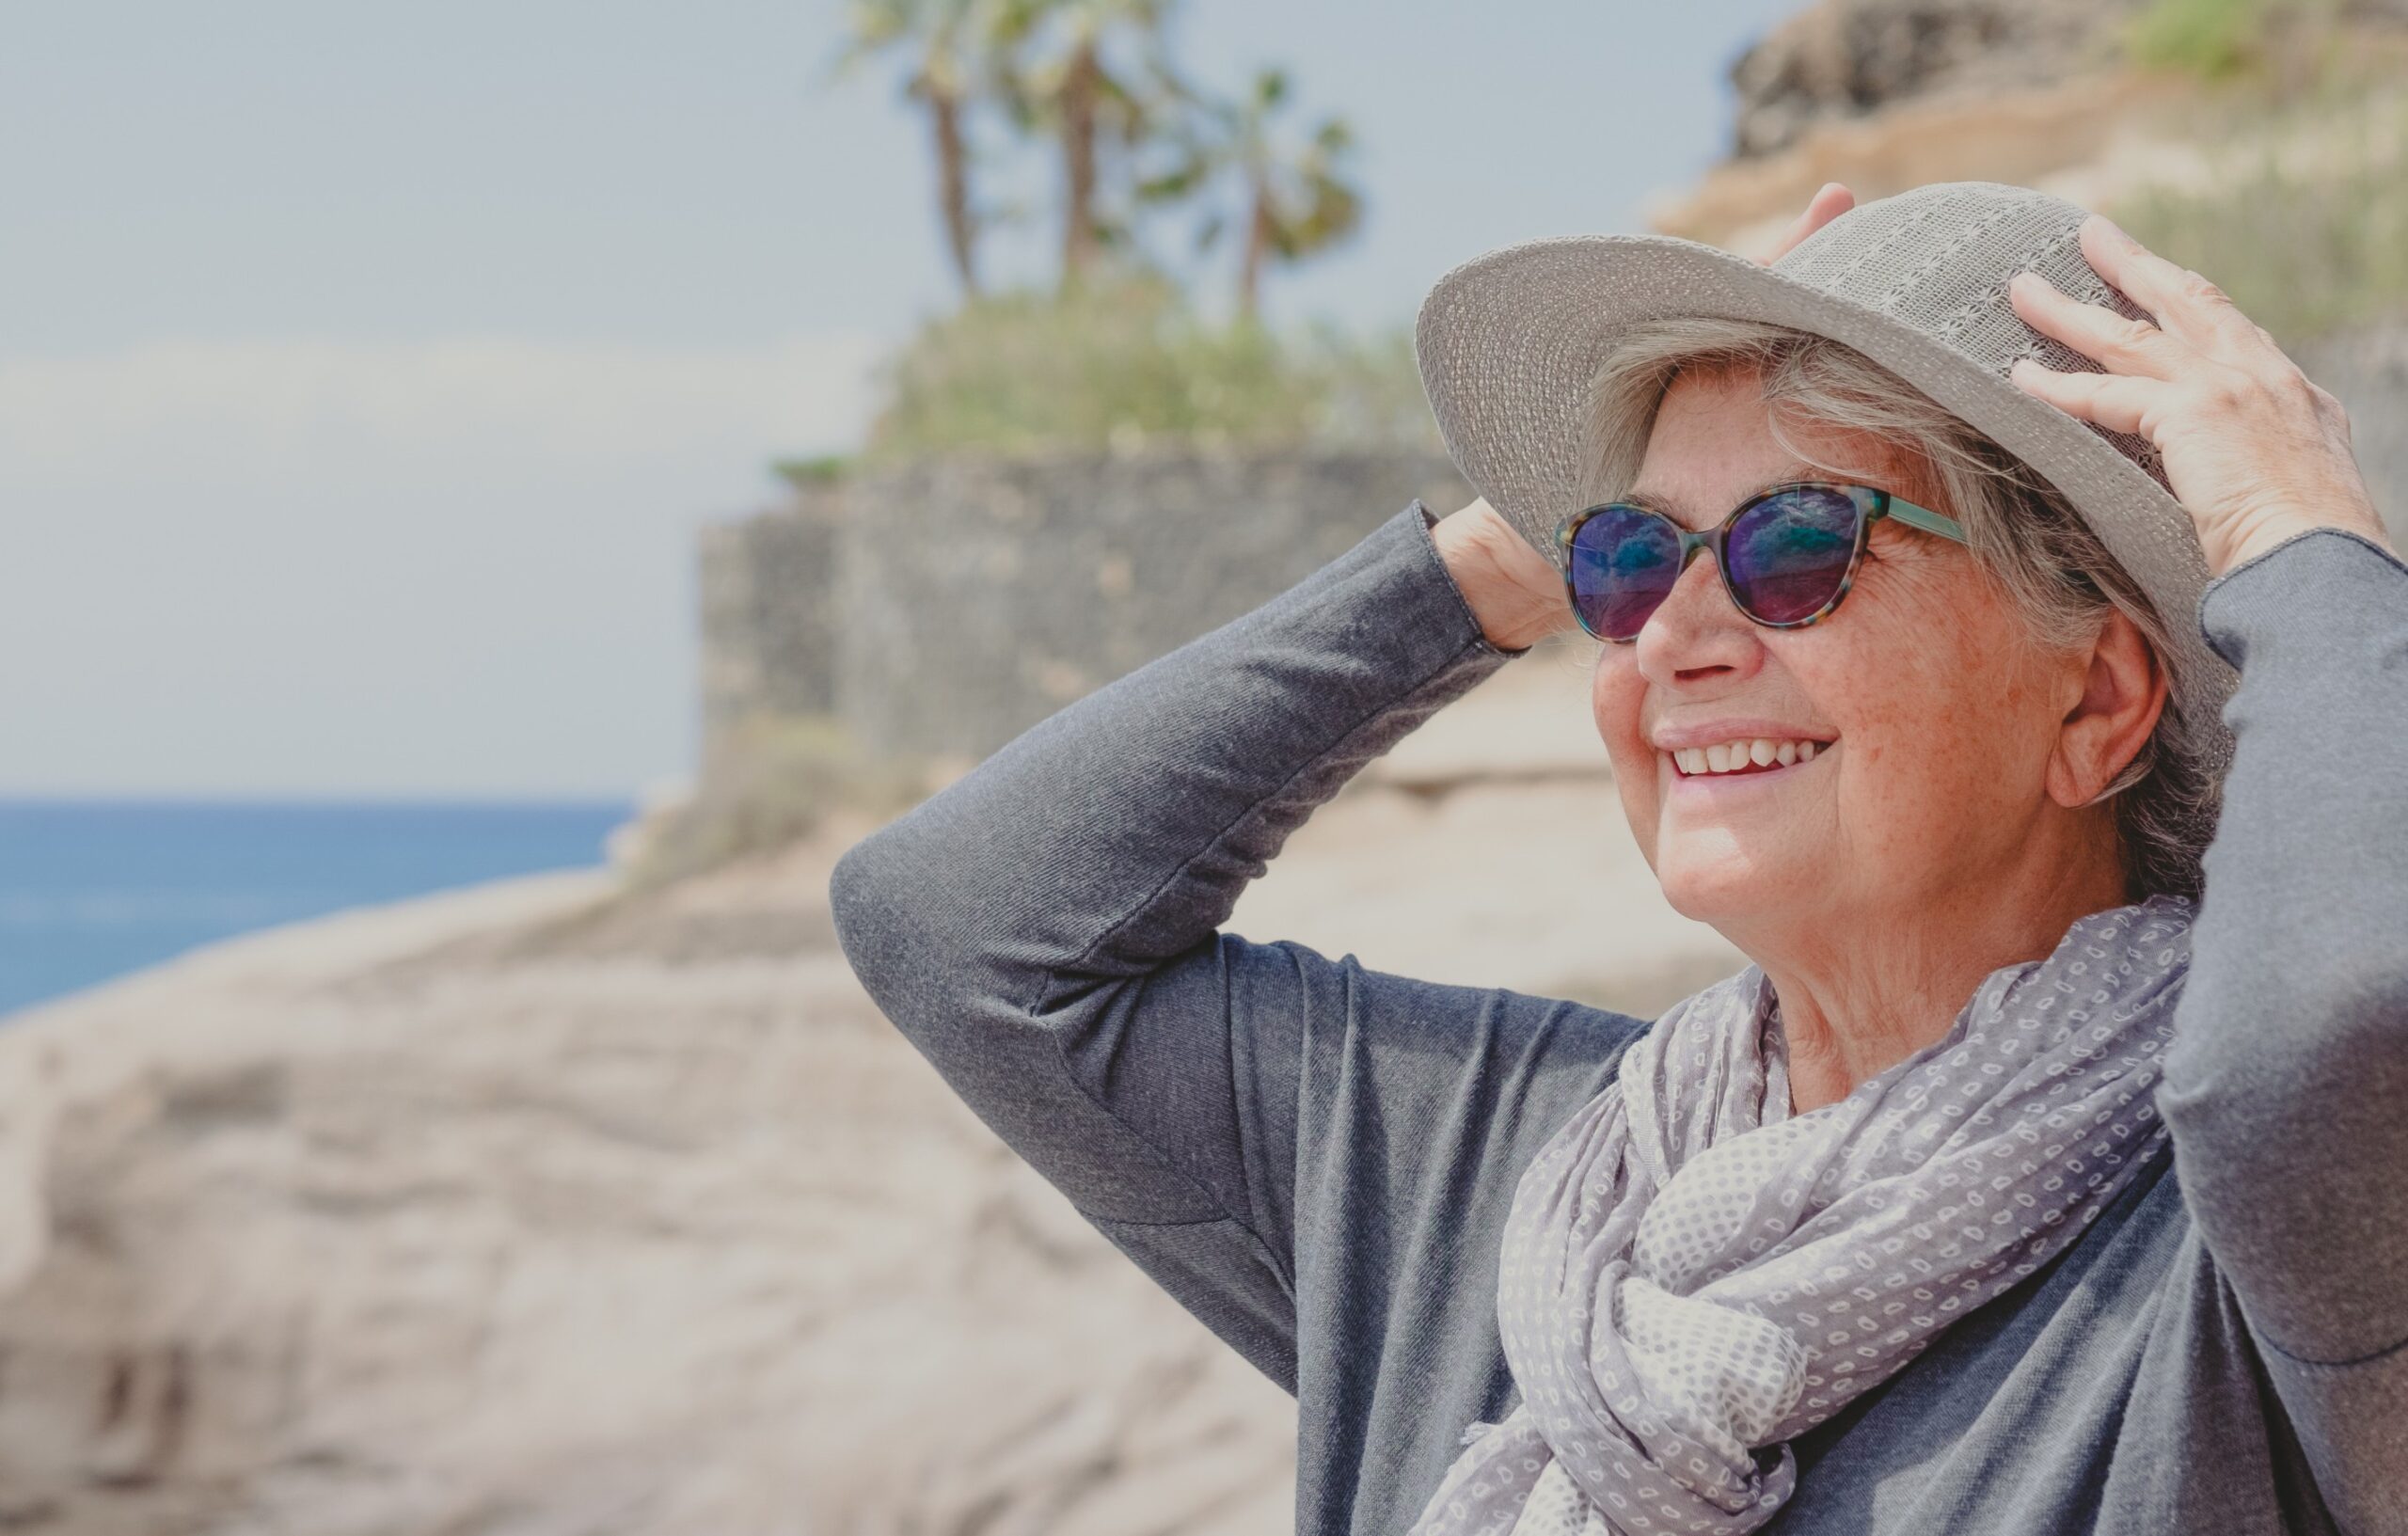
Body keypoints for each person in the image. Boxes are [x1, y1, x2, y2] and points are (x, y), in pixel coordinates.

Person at [828, 181, 2407, 1534]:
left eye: (1799, 545)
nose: (1677, 635)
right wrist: (1501, 560)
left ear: (2099, 698)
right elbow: (967, 932)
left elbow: (2331, 1023)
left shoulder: (2245, 1265)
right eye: (1633, 559)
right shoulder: (1490, 1175)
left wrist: (2298, 533)